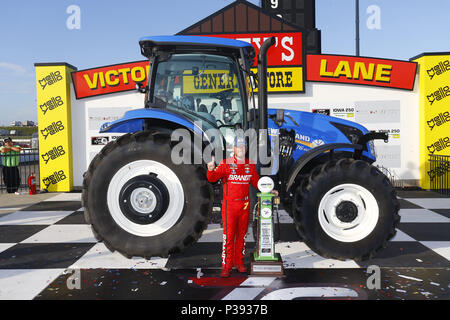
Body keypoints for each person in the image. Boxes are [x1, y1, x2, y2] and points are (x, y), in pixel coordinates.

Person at [207, 136, 278, 278]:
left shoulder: (250, 165)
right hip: (229, 206)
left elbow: (257, 182)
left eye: (243, 147)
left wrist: (269, 190)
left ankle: (238, 262)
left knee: (241, 236)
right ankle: (226, 266)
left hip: (244, 205)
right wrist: (210, 169)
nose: (240, 149)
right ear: (233, 148)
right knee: (229, 236)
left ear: (246, 149)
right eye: (238, 146)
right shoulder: (226, 164)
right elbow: (212, 178)